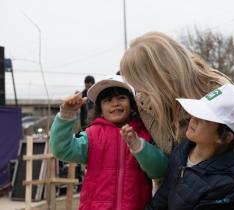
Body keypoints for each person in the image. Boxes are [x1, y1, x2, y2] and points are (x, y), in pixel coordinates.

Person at [120, 32, 234, 210]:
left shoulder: (216, 90)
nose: (140, 92)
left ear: (162, 76)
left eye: (142, 84)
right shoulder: (144, 102)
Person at [122, 84, 234, 210]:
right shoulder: (183, 150)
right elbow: (165, 195)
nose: (193, 119)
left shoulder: (226, 184)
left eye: (204, 118)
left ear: (226, 136)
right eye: (196, 112)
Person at [50, 75, 157, 210]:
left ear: (132, 105)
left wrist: (139, 146)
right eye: (108, 100)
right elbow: (61, 149)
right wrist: (66, 115)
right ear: (100, 109)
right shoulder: (91, 136)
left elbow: (158, 171)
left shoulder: (144, 135)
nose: (115, 103)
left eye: (121, 98)